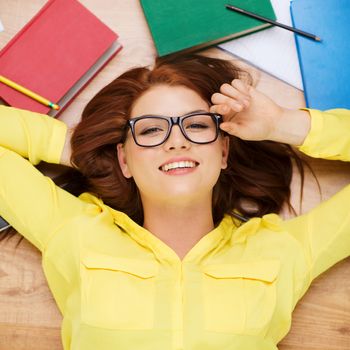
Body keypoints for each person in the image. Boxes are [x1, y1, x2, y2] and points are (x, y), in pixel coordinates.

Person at [0, 53, 349, 350]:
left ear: (223, 150)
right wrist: (74, 147)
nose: (176, 142)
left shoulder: (283, 251)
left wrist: (284, 124)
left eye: (196, 126)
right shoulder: (75, 233)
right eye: (151, 130)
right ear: (124, 160)